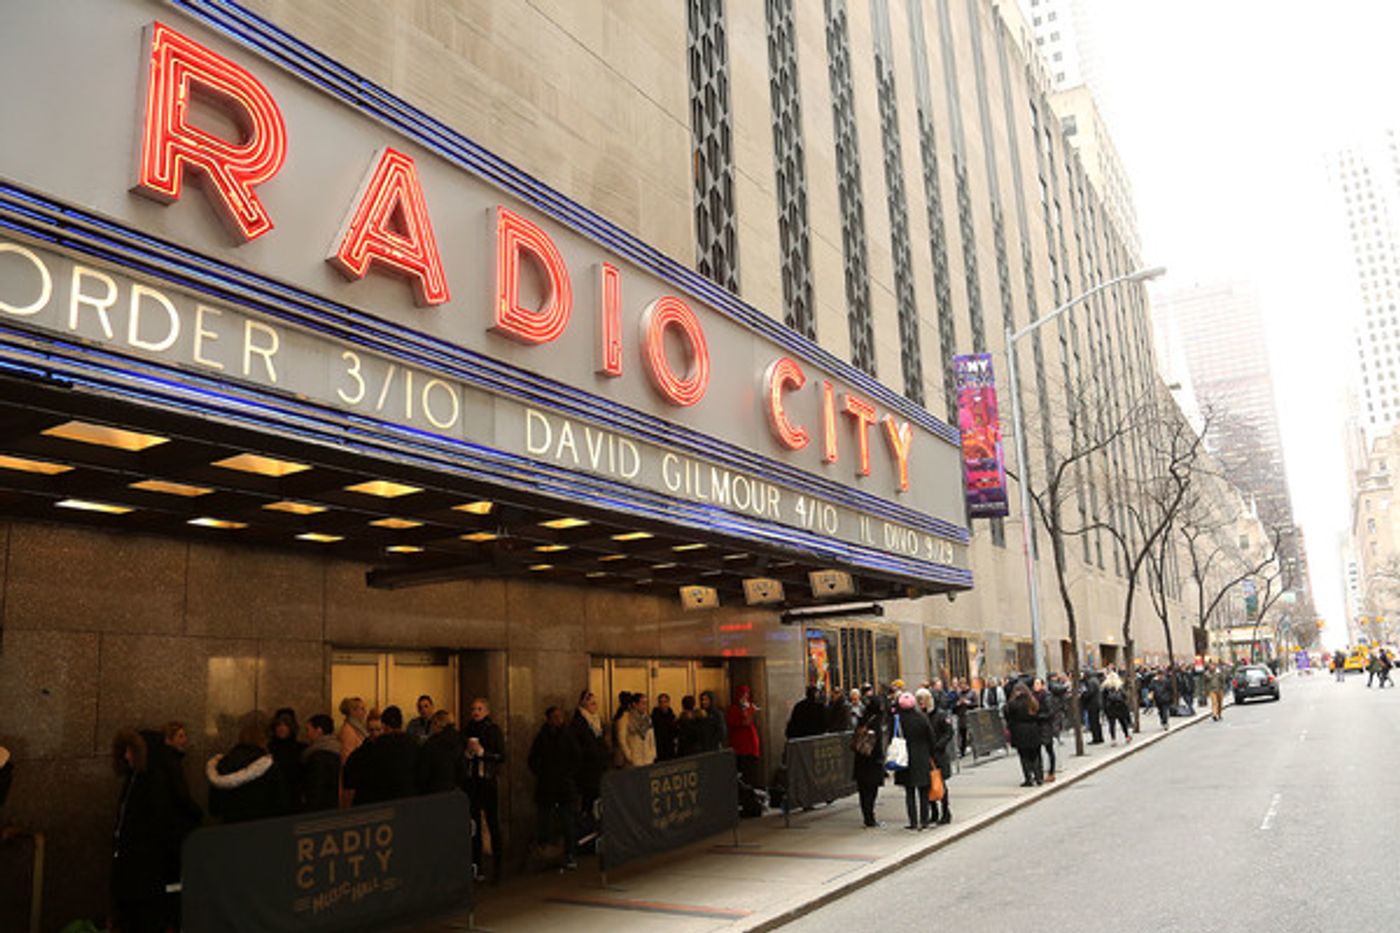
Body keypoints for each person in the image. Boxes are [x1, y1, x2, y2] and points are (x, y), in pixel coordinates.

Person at [137, 720, 201, 925]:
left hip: (167, 831)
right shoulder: (170, 763)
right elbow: (179, 796)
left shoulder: (160, 762)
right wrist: (196, 813)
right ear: (168, 739)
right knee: (173, 877)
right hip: (174, 831)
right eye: (180, 736)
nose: (185, 740)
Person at [111, 729, 166, 933]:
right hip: (133, 868)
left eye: (131, 751)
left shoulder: (150, 783)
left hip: (141, 871)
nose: (126, 756)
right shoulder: (134, 779)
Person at [528, 705, 581, 870]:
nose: (559, 720)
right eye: (555, 717)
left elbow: (577, 757)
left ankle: (570, 853)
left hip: (564, 785)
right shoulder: (542, 737)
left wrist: (568, 773)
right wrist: (542, 772)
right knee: (544, 820)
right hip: (547, 784)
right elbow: (532, 759)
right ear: (549, 719)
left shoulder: (568, 736)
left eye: (561, 717)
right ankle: (544, 852)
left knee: (567, 821)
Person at [207, 716, 288, 823]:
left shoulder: (223, 764)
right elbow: (281, 803)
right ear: (262, 740)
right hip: (262, 826)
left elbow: (214, 807)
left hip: (230, 827)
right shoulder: (269, 765)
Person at [463, 696, 506, 883]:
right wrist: (467, 753)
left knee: (492, 822)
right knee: (474, 826)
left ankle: (499, 866)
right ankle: (477, 865)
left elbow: (501, 756)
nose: (475, 712)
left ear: (487, 711)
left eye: (479, 709)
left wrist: (483, 754)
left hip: (487, 781)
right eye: (473, 708)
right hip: (472, 783)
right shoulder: (467, 730)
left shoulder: (493, 730)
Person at [344, 705, 420, 805]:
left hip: (379, 802)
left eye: (378, 730)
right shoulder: (413, 744)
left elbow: (351, 774)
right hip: (407, 800)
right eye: (371, 730)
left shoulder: (375, 746)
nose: (375, 733)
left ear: (384, 727)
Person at [569, 689, 609, 844]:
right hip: (587, 771)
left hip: (597, 769)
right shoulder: (579, 723)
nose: (595, 706)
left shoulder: (596, 721)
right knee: (589, 801)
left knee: (596, 802)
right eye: (591, 703)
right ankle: (588, 835)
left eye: (595, 703)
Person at [892, 692, 936, 830]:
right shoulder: (922, 718)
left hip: (904, 758)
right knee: (923, 791)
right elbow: (931, 738)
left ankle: (913, 821)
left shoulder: (898, 720)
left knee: (909, 793)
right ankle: (924, 821)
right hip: (922, 757)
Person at [851, 694, 885, 827]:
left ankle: (866, 815)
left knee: (863, 791)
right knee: (872, 791)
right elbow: (877, 745)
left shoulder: (863, 719)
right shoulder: (876, 722)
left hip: (860, 760)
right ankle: (870, 817)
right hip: (872, 762)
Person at [417, 710, 466, 793]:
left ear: (437, 724)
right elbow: (462, 767)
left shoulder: (432, 743)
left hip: (435, 788)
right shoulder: (459, 739)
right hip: (454, 788)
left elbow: (424, 771)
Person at [300, 714, 342, 812]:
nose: (306, 734)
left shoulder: (318, 756)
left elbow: (316, 787)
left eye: (308, 729)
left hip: (320, 808)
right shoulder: (335, 748)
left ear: (319, 730)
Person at [1004, 683, 1043, 786]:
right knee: (1035, 755)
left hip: (1019, 731)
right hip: (1033, 730)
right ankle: (1038, 777)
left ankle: (1028, 778)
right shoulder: (1032, 702)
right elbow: (1038, 715)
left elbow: (1008, 716)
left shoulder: (1012, 704)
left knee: (1024, 756)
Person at [268, 707, 306, 808]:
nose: (282, 728)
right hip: (272, 796)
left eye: (286, 725)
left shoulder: (301, 748)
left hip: (294, 796)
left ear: (291, 728)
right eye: (279, 725)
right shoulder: (268, 747)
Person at [727, 686, 762, 788]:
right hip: (739, 747)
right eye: (743, 694)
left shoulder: (749, 706)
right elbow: (744, 722)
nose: (745, 697)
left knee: (750, 773)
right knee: (742, 774)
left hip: (750, 746)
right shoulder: (733, 709)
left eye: (747, 694)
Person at [928, 697, 954, 825]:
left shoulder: (941, 715)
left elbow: (949, 732)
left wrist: (939, 745)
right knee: (928, 784)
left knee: (941, 784)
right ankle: (933, 812)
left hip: (939, 755)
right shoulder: (922, 716)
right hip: (927, 755)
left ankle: (945, 812)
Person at [616, 692, 657, 767]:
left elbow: (652, 737)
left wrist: (653, 753)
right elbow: (622, 740)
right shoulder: (625, 719)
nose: (645, 706)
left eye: (646, 703)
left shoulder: (647, 719)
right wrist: (629, 756)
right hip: (634, 759)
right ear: (635, 704)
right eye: (643, 703)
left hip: (648, 759)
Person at [1030, 677, 1057, 782]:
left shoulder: (1047, 696)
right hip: (1036, 727)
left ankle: (1051, 772)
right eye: (1034, 684)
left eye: (1038, 684)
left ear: (1042, 685)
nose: (1036, 686)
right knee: (1036, 752)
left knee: (1049, 750)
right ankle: (1039, 774)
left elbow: (1050, 713)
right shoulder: (1032, 696)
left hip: (1046, 727)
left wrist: (1038, 716)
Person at [1102, 670, 1133, 744]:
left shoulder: (1105, 687)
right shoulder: (1119, 686)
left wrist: (1104, 709)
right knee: (1123, 723)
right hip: (1120, 707)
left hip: (1110, 708)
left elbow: (1103, 699)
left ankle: (1113, 739)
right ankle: (1127, 736)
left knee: (1111, 724)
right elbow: (1124, 696)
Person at [337, 696, 368, 762]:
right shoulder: (347, 731)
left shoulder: (358, 727)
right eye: (362, 709)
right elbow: (346, 757)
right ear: (352, 711)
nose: (365, 712)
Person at [651, 693, 679, 760]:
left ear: (668, 703)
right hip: (659, 748)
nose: (663, 704)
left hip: (670, 748)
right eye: (661, 702)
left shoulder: (672, 716)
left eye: (665, 702)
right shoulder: (654, 717)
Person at [1081, 671, 1104, 744]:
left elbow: (1090, 692)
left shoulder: (1090, 682)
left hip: (1092, 704)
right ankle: (1100, 737)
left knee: (1093, 722)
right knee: (1097, 722)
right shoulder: (1095, 680)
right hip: (1096, 703)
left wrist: (1083, 695)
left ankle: (1096, 738)